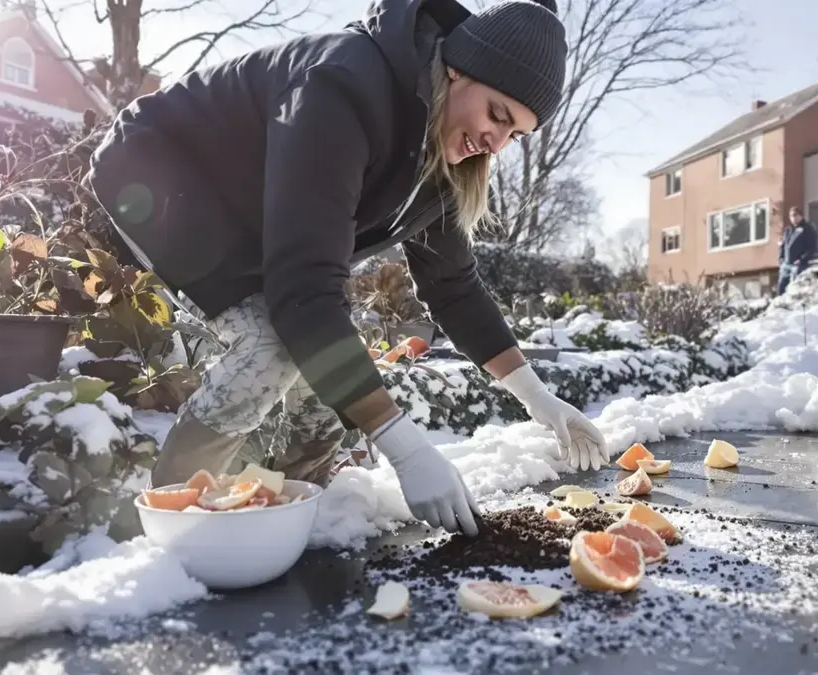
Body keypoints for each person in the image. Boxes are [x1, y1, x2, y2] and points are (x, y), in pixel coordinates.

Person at [86, 0, 609, 538]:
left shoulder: (447, 152)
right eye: (498, 116)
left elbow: (452, 284)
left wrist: (538, 399)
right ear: (457, 69)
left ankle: (294, 509)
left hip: (250, 209)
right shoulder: (343, 85)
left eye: (515, 135)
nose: (496, 144)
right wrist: (404, 448)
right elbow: (304, 290)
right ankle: (164, 522)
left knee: (319, 357)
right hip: (158, 171)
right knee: (273, 344)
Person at [776, 206, 818, 295]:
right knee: (781, 287)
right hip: (786, 264)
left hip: (798, 264)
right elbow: (783, 245)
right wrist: (781, 258)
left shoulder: (807, 228)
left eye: (795, 215)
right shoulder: (788, 230)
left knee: (794, 287)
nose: (793, 218)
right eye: (791, 216)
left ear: (801, 216)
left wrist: (802, 259)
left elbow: (812, 246)